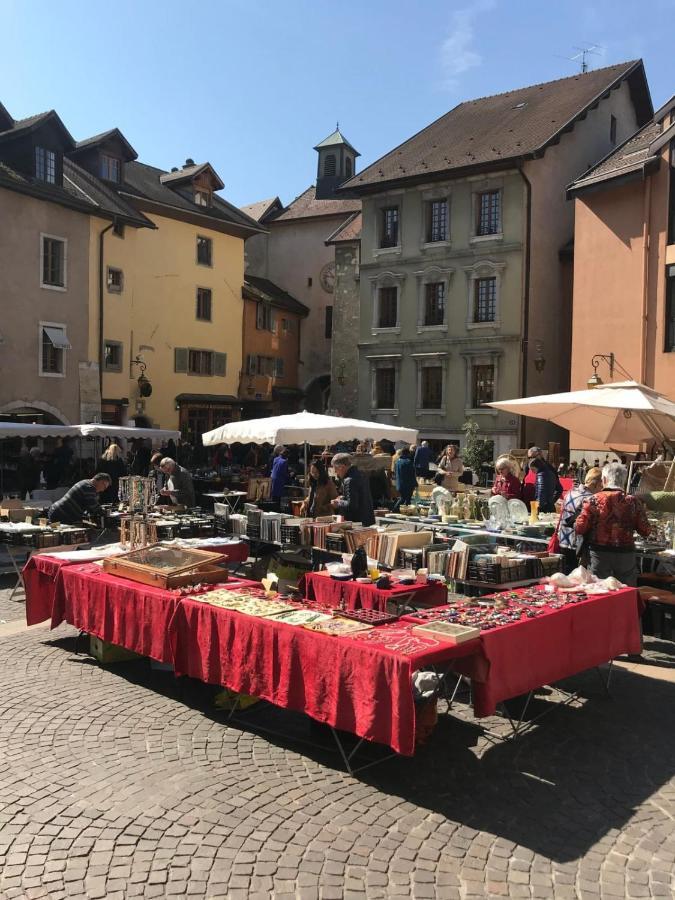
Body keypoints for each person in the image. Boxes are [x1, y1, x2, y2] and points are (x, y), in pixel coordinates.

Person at [575, 462, 651, 586]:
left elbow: (580, 528)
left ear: (604, 480)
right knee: (626, 592)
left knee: (599, 592)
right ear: (624, 480)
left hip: (599, 555)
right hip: (625, 555)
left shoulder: (592, 500)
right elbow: (646, 531)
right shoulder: (634, 502)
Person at [556, 466, 603, 572]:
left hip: (563, 539)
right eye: (602, 485)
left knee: (566, 573)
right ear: (596, 484)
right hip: (577, 544)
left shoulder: (570, 492)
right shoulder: (590, 498)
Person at [330, 453, 375, 525]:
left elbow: (352, 505)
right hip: (366, 519)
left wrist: (338, 502)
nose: (335, 472)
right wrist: (344, 498)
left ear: (342, 467)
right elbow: (359, 497)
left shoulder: (350, 480)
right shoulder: (361, 474)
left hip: (357, 522)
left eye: (335, 469)